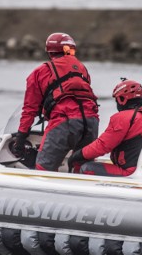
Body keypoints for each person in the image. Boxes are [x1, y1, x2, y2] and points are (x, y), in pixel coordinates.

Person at [12, 32, 99, 171]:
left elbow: (29, 109)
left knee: (43, 169)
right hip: (91, 123)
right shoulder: (82, 68)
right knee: (82, 168)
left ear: (50, 52)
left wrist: (21, 138)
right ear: (69, 50)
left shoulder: (40, 72)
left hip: (64, 123)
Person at [68, 78, 142, 176]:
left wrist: (77, 155)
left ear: (122, 99)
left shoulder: (123, 118)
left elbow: (102, 146)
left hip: (132, 172)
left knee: (86, 168)